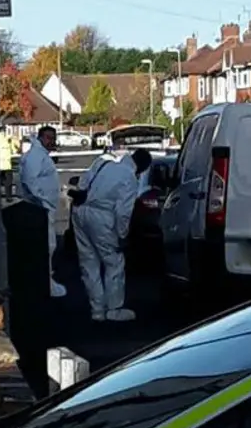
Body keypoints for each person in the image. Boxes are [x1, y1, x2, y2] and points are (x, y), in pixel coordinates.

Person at [72, 148, 152, 321]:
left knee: (88, 261)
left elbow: (82, 184)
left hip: (80, 211)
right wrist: (122, 235)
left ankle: (97, 309)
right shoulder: (129, 178)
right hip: (102, 216)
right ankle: (114, 309)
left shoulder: (103, 163)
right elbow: (123, 212)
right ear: (142, 167)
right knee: (113, 262)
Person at [18, 125, 67, 298]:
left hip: (44, 208)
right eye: (47, 138)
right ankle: (45, 284)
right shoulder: (36, 156)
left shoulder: (40, 155)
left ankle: (47, 281)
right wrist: (43, 201)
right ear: (40, 137)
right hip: (41, 209)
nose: (51, 142)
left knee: (49, 246)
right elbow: (29, 181)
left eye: (53, 138)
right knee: (46, 246)